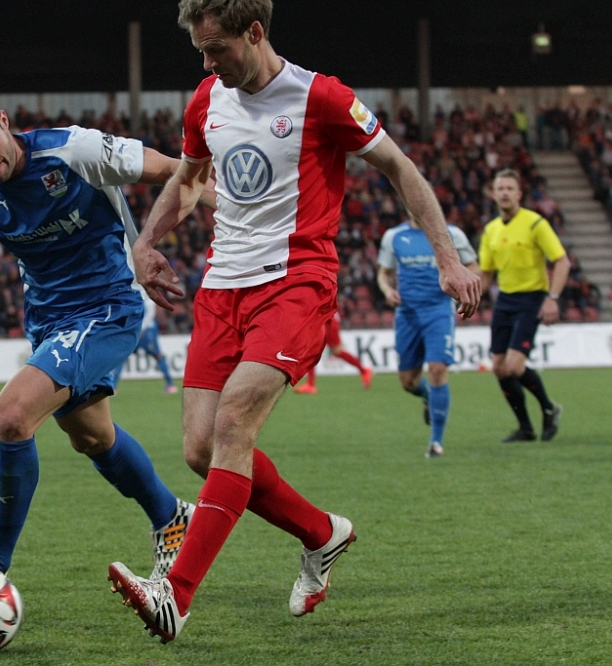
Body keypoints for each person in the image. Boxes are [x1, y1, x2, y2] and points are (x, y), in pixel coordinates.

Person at [107, 0, 481, 644]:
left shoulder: (321, 97)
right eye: (201, 51)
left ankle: (176, 595)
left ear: (255, 33)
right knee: (200, 450)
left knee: (234, 422)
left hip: (295, 284)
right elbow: (189, 179)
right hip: (222, 288)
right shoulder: (206, 99)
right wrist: (144, 244)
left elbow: (400, 168)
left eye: (217, 48)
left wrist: (447, 258)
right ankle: (322, 533)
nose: (208, 63)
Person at [0, 78, 212, 586]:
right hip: (50, 321)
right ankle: (171, 518)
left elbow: (173, 169)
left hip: (109, 304)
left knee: (12, 415)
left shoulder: (72, 150)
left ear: (4, 122)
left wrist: (234, 214)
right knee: (91, 437)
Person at [377, 217, 479, 458]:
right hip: (407, 314)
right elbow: (383, 273)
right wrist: (387, 290)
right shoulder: (394, 236)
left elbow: (474, 268)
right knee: (408, 382)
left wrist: (463, 291)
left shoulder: (451, 234)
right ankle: (428, 396)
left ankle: (436, 442)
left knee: (437, 368)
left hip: (438, 311)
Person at [479, 169, 568, 443]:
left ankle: (549, 408)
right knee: (499, 366)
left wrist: (552, 298)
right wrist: (470, 298)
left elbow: (562, 261)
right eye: (500, 188)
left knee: (514, 365)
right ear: (493, 194)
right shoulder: (491, 230)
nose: (505, 193)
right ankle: (526, 428)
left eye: (510, 188)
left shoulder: (535, 223)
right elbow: (486, 273)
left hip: (532, 298)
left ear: (519, 194)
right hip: (505, 300)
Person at [116, 288, 179, 393]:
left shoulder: (144, 294)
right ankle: (113, 386)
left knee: (157, 356)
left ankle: (170, 384)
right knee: (123, 357)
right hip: (138, 330)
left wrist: (141, 329)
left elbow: (150, 314)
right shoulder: (137, 294)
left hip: (146, 331)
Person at [292, 312, 372, 394]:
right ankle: (363, 370)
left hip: (328, 320)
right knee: (330, 351)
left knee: (317, 351)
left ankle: (310, 385)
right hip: (325, 319)